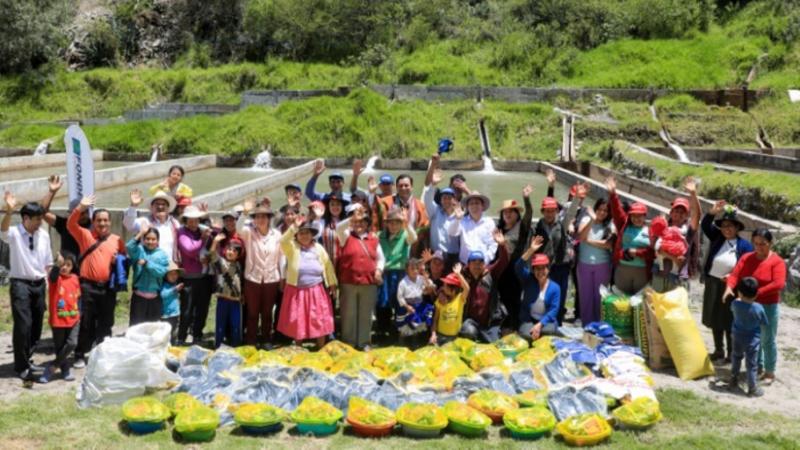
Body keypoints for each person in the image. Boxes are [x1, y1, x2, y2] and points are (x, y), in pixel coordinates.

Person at [68, 195, 126, 367]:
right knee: (86, 322)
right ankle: (80, 354)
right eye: (99, 220)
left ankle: (103, 352)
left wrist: (119, 260)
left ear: (110, 222)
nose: (102, 223)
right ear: (93, 222)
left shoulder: (117, 240)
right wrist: (80, 207)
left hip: (108, 288)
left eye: (105, 220)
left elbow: (124, 258)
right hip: (87, 287)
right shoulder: (85, 236)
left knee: (106, 322)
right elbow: (70, 224)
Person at [725, 228, 786, 386]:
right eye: (756, 243)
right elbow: (735, 275)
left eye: (763, 244)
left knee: (767, 339)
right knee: (754, 338)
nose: (759, 247)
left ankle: (769, 371)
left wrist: (756, 293)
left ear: (770, 243)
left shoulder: (777, 261)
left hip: (768, 305)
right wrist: (729, 287)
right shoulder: (747, 258)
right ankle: (757, 367)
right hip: (748, 304)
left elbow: (778, 283)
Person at [2, 192, 52, 380]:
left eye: (41, 218)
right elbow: (3, 231)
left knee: (36, 326)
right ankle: (21, 366)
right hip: (20, 284)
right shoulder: (15, 233)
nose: (40, 222)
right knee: (23, 325)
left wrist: (48, 283)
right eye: (37, 219)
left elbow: (47, 262)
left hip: (39, 284)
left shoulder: (44, 235)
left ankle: (27, 358)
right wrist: (9, 211)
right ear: (25, 218)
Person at [702, 201, 753, 362]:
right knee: (714, 318)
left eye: (730, 226)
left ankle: (732, 353)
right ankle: (718, 350)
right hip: (713, 283)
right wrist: (712, 212)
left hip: (731, 287)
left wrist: (733, 276)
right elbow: (705, 225)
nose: (726, 229)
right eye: (724, 226)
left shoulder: (744, 246)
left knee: (729, 320)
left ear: (737, 228)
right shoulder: (717, 238)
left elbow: (747, 267)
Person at [277, 217, 337, 349]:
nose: (304, 236)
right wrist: (294, 227)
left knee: (319, 318)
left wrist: (332, 283)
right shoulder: (291, 247)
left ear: (312, 234)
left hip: (316, 289)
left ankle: (320, 347)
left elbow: (328, 266)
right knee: (298, 319)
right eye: (301, 233)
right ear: (296, 235)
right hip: (296, 290)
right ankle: (298, 347)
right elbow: (282, 241)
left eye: (307, 233)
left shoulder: (319, 248)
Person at [335, 205, 385, 350]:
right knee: (348, 314)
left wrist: (379, 271)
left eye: (362, 221)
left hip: (368, 282)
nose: (359, 224)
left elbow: (381, 258)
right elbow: (338, 227)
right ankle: (349, 343)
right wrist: (352, 217)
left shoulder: (374, 239)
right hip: (348, 282)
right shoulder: (345, 236)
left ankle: (364, 343)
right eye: (356, 222)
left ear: (367, 224)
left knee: (366, 314)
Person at [533, 186, 583, 324]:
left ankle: (558, 322)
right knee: (544, 295)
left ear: (556, 211)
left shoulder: (562, 225)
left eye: (552, 211)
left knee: (560, 296)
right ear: (542, 212)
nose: (549, 214)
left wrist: (576, 198)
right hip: (544, 268)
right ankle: (543, 321)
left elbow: (571, 213)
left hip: (561, 267)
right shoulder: (537, 227)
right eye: (547, 211)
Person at [238, 201, 283, 347]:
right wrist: (245, 212)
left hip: (271, 278)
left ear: (269, 219)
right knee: (252, 312)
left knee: (267, 312)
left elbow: (281, 257)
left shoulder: (277, 235)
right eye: (257, 217)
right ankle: (251, 340)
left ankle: (266, 339)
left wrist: (282, 277)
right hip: (253, 278)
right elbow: (238, 228)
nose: (260, 219)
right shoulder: (249, 232)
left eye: (264, 216)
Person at [459, 229, 510, 343]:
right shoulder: (463, 276)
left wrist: (502, 245)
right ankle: (474, 335)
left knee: (493, 343)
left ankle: (486, 335)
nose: (477, 266)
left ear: (484, 264)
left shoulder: (491, 273)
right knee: (468, 332)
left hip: (489, 322)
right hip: (471, 322)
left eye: (480, 263)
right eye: (474, 262)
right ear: (468, 264)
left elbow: (504, 261)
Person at [652, 178, 701, 292]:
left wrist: (693, 194)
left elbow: (697, 215)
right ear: (671, 212)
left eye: (682, 212)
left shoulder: (688, 231)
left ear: (687, 216)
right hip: (658, 274)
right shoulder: (663, 227)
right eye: (676, 210)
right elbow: (656, 249)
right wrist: (671, 256)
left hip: (676, 278)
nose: (679, 214)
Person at [496, 185, 534, 332]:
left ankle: (516, 327)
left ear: (517, 214)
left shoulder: (522, 228)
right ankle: (505, 325)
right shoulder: (499, 229)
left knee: (515, 299)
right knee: (502, 298)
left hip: (516, 270)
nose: (508, 214)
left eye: (511, 211)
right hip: (502, 269)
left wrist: (526, 198)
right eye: (505, 212)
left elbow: (529, 214)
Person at [606, 177, 654, 295]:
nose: (636, 218)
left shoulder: (651, 231)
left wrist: (636, 252)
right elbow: (617, 211)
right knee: (620, 301)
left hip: (642, 271)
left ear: (645, 216)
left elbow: (653, 253)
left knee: (639, 302)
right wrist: (613, 194)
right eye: (634, 216)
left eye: (640, 216)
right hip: (622, 269)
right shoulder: (624, 225)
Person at [378, 207, 418, 341]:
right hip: (384, 272)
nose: (393, 226)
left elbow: (414, 237)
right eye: (391, 222)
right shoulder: (380, 236)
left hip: (399, 272)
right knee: (383, 301)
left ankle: (398, 330)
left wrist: (407, 223)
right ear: (386, 223)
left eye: (397, 223)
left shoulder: (405, 235)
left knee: (399, 301)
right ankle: (382, 330)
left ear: (401, 224)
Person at [39, 253, 80, 383]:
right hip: (58, 321)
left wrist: (79, 312)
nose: (65, 267)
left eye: (68, 265)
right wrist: (57, 264)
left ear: (72, 267)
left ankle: (52, 366)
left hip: (74, 318)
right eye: (63, 264)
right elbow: (52, 276)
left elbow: (78, 296)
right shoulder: (55, 279)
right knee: (60, 347)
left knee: (72, 343)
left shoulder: (75, 278)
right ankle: (65, 369)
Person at [576, 198, 616, 325]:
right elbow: (580, 236)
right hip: (584, 264)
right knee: (585, 296)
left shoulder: (610, 225)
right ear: (595, 209)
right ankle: (587, 325)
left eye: (605, 210)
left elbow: (608, 244)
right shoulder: (586, 220)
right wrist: (592, 220)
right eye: (599, 209)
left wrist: (588, 241)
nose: (602, 213)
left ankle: (599, 325)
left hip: (602, 265)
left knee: (600, 297)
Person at [176, 205, 213, 345]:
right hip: (189, 278)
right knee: (187, 309)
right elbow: (190, 250)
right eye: (190, 220)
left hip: (204, 277)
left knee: (202, 309)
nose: (193, 223)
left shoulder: (202, 230)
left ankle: (197, 335)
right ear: (185, 220)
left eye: (196, 220)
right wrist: (202, 239)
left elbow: (216, 238)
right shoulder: (181, 232)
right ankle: (181, 337)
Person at [727, 277, 768, 397]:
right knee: (751, 364)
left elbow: (732, 308)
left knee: (736, 357)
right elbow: (764, 322)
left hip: (737, 337)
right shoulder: (758, 308)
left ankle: (733, 380)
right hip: (752, 340)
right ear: (756, 294)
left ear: (739, 292)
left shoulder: (735, 304)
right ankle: (752, 388)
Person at [517, 240, 561, 342]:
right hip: (529, 319)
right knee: (527, 335)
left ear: (548, 269)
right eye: (537, 268)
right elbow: (518, 267)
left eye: (543, 268)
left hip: (546, 321)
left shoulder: (555, 287)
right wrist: (531, 250)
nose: (540, 272)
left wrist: (540, 325)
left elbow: (553, 310)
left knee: (547, 332)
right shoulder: (528, 280)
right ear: (533, 270)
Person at [423, 154, 461, 270]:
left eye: (450, 198)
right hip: (435, 254)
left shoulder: (460, 215)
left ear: (454, 200)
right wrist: (433, 184)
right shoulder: (435, 211)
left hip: (453, 256)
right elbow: (427, 198)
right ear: (440, 200)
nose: (447, 200)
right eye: (444, 198)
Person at [126, 225, 170, 325]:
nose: (150, 241)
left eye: (153, 239)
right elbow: (129, 246)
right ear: (143, 239)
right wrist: (141, 233)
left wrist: (147, 264)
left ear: (158, 241)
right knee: (136, 326)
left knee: (152, 327)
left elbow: (161, 272)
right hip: (139, 297)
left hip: (155, 298)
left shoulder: (162, 254)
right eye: (147, 239)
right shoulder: (139, 251)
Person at [123, 189, 181, 262]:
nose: (160, 207)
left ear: (168, 208)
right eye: (157, 204)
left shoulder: (175, 223)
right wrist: (133, 206)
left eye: (163, 204)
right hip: (149, 265)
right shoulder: (145, 221)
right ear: (152, 207)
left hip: (170, 264)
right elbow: (129, 225)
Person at [209, 233, 244, 348]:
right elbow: (212, 254)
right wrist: (215, 241)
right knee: (220, 324)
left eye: (234, 251)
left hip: (236, 301)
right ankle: (218, 345)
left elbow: (241, 282)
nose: (231, 252)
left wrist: (242, 295)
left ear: (238, 254)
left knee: (236, 324)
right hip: (222, 300)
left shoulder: (239, 266)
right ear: (225, 250)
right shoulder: (221, 263)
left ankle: (236, 345)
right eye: (229, 249)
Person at [40, 175, 87, 259]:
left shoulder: (95, 224)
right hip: (67, 265)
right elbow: (42, 212)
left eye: (85, 212)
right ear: (71, 214)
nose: (83, 216)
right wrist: (51, 192)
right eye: (78, 213)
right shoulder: (65, 224)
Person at [448, 192, 497, 265]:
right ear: (467, 207)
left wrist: (485, 260)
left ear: (482, 206)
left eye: (477, 203)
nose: (474, 206)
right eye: (471, 203)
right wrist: (457, 219)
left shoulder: (489, 222)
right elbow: (452, 233)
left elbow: (493, 244)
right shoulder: (462, 221)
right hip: (465, 263)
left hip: (483, 264)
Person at [395, 258, 436, 345]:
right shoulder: (403, 282)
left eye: (417, 268)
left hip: (418, 305)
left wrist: (426, 279)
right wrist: (407, 306)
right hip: (407, 306)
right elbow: (400, 297)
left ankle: (415, 341)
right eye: (412, 269)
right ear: (407, 270)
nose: (415, 271)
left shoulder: (421, 279)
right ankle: (401, 341)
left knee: (417, 324)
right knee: (405, 326)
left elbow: (429, 286)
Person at [429, 267, 470, 346]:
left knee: (447, 351)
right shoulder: (440, 301)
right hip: (439, 335)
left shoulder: (460, 299)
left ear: (454, 289)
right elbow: (435, 320)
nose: (443, 287)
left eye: (445, 286)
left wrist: (458, 274)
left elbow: (467, 288)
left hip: (454, 337)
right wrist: (433, 334)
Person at [161, 262, 184, 344]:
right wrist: (174, 289)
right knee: (165, 333)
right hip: (165, 315)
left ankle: (173, 345)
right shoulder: (164, 285)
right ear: (166, 275)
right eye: (171, 274)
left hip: (175, 314)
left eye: (175, 274)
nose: (174, 276)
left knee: (174, 332)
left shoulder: (174, 285)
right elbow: (163, 295)